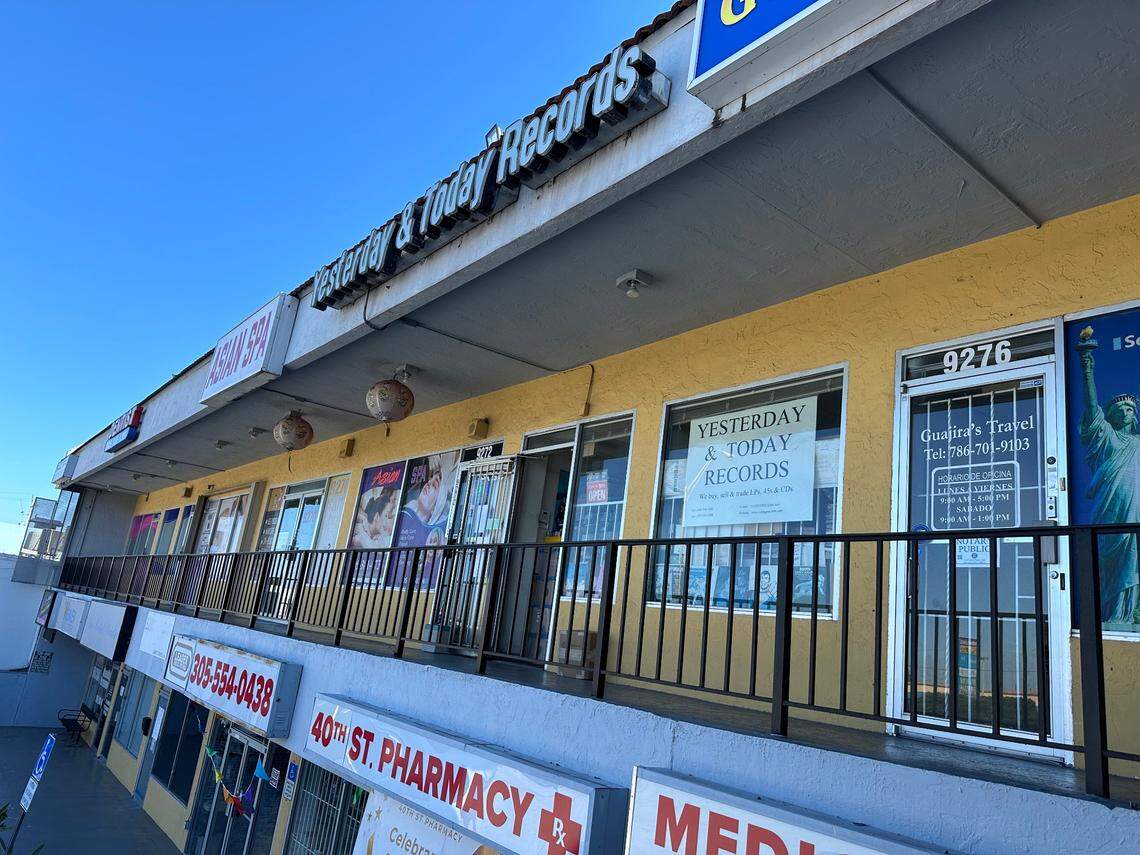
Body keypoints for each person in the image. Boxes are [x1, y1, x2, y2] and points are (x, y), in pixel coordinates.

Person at [1076, 328, 1140, 626]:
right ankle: (1110, 612)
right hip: (1111, 508)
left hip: (1136, 508)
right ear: (1111, 415)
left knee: (1134, 557)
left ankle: (1127, 613)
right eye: (1120, 408)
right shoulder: (1106, 437)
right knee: (1109, 557)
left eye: (1130, 408)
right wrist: (1087, 366)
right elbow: (1091, 407)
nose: (1126, 412)